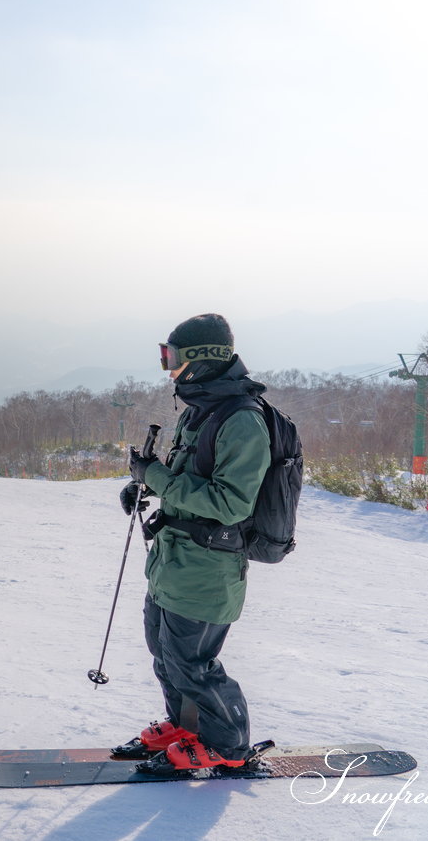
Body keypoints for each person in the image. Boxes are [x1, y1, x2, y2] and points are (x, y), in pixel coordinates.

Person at [114, 313, 271, 772]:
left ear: (201, 360)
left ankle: (229, 748)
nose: (170, 369)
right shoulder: (202, 410)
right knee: (164, 652)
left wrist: (156, 475)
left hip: (208, 569)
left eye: (173, 359)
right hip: (174, 562)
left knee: (193, 664)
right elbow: (187, 478)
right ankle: (186, 727)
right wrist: (146, 486)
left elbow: (231, 503)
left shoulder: (242, 421)